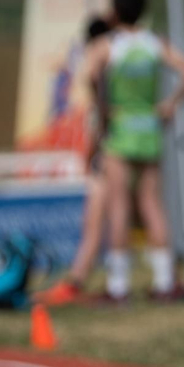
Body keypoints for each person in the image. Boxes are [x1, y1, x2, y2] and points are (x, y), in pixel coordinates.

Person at [88, 0, 184, 303]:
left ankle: (118, 286)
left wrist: (102, 106)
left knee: (119, 205)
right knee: (152, 204)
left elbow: (91, 76)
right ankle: (164, 282)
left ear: (115, 13)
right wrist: (169, 104)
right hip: (149, 125)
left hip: (121, 126)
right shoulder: (154, 43)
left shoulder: (107, 45)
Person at [37, 16, 116, 305]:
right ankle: (92, 280)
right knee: (109, 220)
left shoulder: (103, 70)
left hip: (108, 157)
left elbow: (100, 119)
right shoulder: (114, 67)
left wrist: (89, 154)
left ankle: (80, 280)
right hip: (119, 152)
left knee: (97, 222)